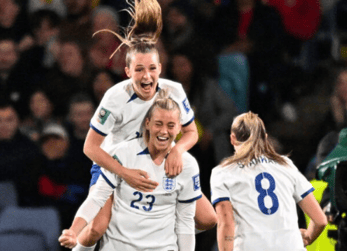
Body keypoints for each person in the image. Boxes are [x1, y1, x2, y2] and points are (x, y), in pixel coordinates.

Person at [59, 0, 216, 249]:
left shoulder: (174, 90)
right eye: (139, 69)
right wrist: (124, 173)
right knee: (97, 229)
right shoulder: (114, 97)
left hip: (158, 161)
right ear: (127, 71)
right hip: (116, 164)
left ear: (160, 68)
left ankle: (161, 231)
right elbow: (90, 148)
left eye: (152, 69)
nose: (147, 75)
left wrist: (177, 150)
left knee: (208, 219)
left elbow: (190, 132)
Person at [60, 90, 201, 251]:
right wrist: (73, 230)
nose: (163, 131)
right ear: (147, 123)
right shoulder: (123, 152)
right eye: (158, 124)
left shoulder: (188, 164)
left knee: (209, 218)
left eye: (170, 126)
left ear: (179, 129)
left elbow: (185, 220)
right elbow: (97, 198)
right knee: (96, 227)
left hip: (161, 246)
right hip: (120, 244)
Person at [211, 112, 327, 251]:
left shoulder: (223, 173)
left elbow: (226, 223)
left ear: (233, 139)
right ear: (265, 138)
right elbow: (320, 220)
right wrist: (307, 237)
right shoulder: (286, 165)